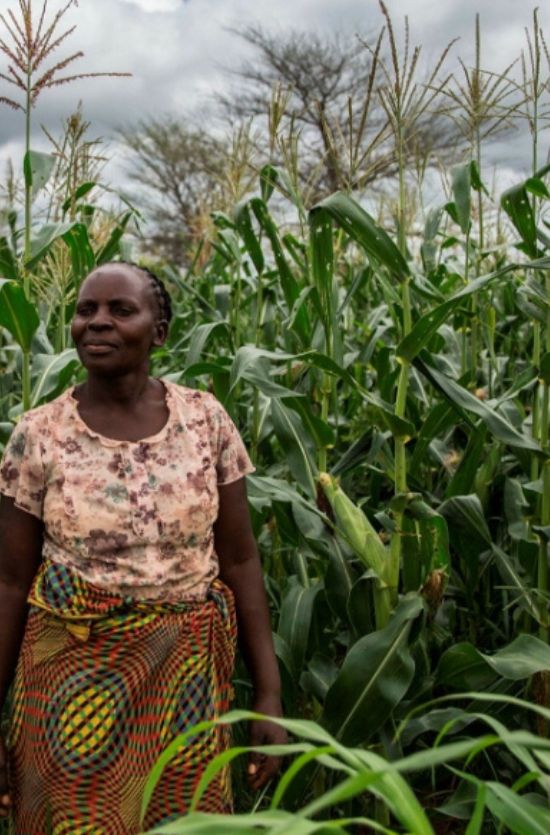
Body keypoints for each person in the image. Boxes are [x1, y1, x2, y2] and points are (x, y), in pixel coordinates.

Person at [0, 261, 286, 833]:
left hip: (185, 687)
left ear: (158, 331)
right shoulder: (40, 432)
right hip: (70, 685)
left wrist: (269, 697)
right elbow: (8, 581)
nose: (96, 323)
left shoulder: (205, 421)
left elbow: (240, 560)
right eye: (86, 311)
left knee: (185, 823)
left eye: (119, 310)